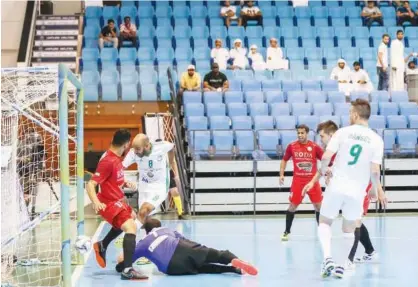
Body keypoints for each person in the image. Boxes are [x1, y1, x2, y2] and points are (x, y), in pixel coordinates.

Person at [315, 99, 385, 279]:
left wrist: (324, 171)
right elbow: (375, 170)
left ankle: (328, 258)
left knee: (324, 222)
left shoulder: (343, 132)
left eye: (349, 113)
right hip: (357, 191)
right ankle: (341, 265)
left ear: (355, 114)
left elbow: (326, 157)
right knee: (349, 229)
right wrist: (376, 189)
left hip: (337, 185)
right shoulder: (377, 139)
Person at [87, 129, 147, 280]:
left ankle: (103, 245)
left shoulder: (116, 158)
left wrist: (125, 182)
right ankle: (127, 269)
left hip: (118, 200)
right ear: (127, 144)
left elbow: (114, 179)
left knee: (133, 218)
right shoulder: (108, 161)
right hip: (109, 203)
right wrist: (96, 202)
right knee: (131, 227)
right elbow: (90, 184)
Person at [115, 218, 258, 276]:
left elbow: (123, 259)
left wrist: (120, 263)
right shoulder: (166, 230)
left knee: (201, 269)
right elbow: (185, 239)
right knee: (215, 255)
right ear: (158, 226)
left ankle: (232, 270)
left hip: (171, 267)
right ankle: (235, 261)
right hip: (183, 247)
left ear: (146, 231)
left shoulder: (143, 242)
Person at [122, 134, 184, 223]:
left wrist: (170, 162)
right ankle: (143, 234)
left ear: (147, 146)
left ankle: (180, 212)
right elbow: (120, 167)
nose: (135, 152)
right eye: (134, 149)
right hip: (144, 186)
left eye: (138, 149)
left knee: (144, 212)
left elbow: (172, 147)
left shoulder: (161, 146)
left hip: (159, 186)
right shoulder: (133, 153)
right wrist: (124, 181)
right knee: (143, 216)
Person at [279, 125, 324, 241]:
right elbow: (284, 160)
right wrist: (281, 174)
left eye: (302, 133)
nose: (300, 135)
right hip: (298, 182)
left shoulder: (314, 147)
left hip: (312, 181)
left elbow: (325, 160)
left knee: (319, 206)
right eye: (298, 133)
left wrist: (327, 174)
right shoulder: (292, 146)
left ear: (307, 133)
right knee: (292, 206)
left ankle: (322, 232)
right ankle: (286, 231)